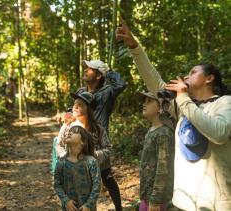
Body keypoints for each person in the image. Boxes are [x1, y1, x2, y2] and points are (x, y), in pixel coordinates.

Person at [116, 19, 231, 210]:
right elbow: (154, 83)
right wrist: (134, 46)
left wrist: (183, 97)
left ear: (209, 78)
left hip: (216, 204)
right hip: (184, 202)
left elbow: (219, 133)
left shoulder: (225, 102)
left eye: (193, 72)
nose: (186, 76)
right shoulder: (184, 106)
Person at [56, 91, 122, 211]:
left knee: (104, 186)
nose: (75, 106)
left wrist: (94, 156)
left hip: (96, 167)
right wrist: (65, 156)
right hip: (72, 169)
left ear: (89, 109)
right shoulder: (67, 127)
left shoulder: (98, 129)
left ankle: (118, 208)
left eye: (80, 104)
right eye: (75, 103)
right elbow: (59, 144)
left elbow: (108, 148)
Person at [135, 92, 175, 211]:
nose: (144, 104)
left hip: (157, 200)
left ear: (161, 108)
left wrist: (156, 199)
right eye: (144, 101)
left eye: (149, 101)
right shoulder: (152, 130)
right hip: (147, 196)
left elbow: (163, 169)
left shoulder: (164, 133)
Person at [54, 125, 101, 211]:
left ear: (82, 142)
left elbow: (97, 185)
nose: (69, 133)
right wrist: (66, 201)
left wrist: (89, 205)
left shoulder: (91, 162)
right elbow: (57, 184)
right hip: (69, 208)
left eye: (75, 132)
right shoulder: (61, 162)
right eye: (69, 131)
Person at [78, 60, 126, 133]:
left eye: (90, 69)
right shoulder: (81, 92)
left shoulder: (106, 93)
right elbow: (75, 109)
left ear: (98, 76)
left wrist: (108, 72)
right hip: (80, 137)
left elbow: (120, 84)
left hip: (98, 140)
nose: (85, 70)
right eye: (86, 68)